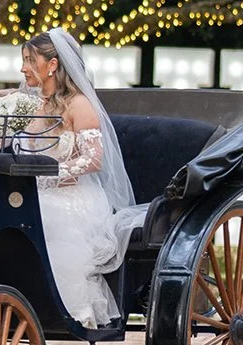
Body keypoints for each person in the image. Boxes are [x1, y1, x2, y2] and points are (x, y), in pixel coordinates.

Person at [11, 29, 147, 328]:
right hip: (33, 192)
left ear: (52, 65)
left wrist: (51, 173)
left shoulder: (79, 105)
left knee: (46, 220)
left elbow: (93, 159)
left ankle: (64, 309)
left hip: (71, 197)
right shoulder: (29, 106)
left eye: (29, 60)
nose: (22, 69)